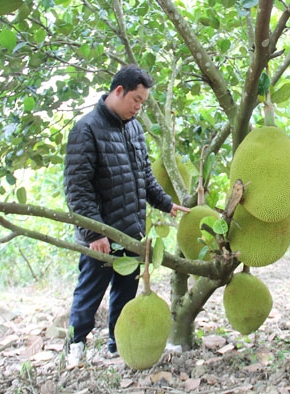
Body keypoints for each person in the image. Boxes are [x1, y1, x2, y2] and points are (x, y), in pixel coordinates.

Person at [64, 64, 189, 368]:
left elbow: (144, 175)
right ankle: (75, 345)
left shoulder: (133, 128)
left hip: (131, 228)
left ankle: (116, 345)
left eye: (143, 102)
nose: (138, 107)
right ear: (118, 91)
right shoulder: (86, 129)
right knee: (90, 290)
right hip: (102, 233)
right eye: (136, 100)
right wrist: (94, 233)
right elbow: (77, 188)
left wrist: (165, 203)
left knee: (126, 291)